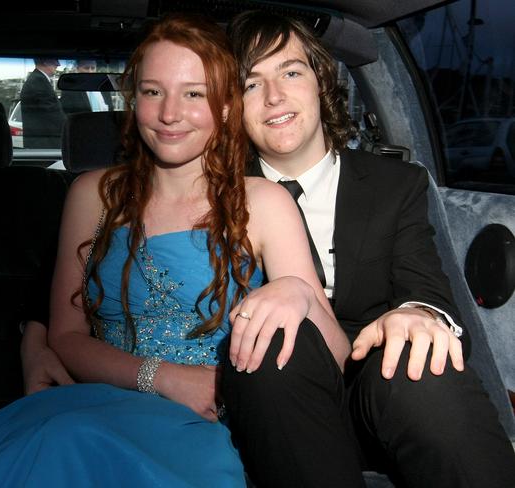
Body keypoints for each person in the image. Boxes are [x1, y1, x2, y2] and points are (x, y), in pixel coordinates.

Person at [0, 14, 351, 487]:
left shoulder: (263, 201)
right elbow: (66, 337)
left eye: (194, 94)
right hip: (91, 405)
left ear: (226, 106)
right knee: (59, 442)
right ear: (133, 98)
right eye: (152, 91)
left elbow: (333, 353)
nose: (169, 113)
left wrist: (299, 294)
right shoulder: (92, 194)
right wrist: (163, 378)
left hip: (211, 424)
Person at [220, 10, 515, 488]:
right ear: (233, 105)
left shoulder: (395, 185)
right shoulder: (219, 195)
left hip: (378, 390)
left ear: (320, 80)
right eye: (251, 84)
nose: (275, 96)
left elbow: (427, 288)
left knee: (419, 357)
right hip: (276, 400)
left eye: (290, 72)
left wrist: (418, 314)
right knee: (272, 346)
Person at [20, 58, 65, 148]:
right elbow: (53, 114)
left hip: (41, 143)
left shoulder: (37, 79)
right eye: (55, 60)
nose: (58, 65)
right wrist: (73, 126)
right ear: (45, 61)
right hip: (44, 144)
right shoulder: (38, 81)